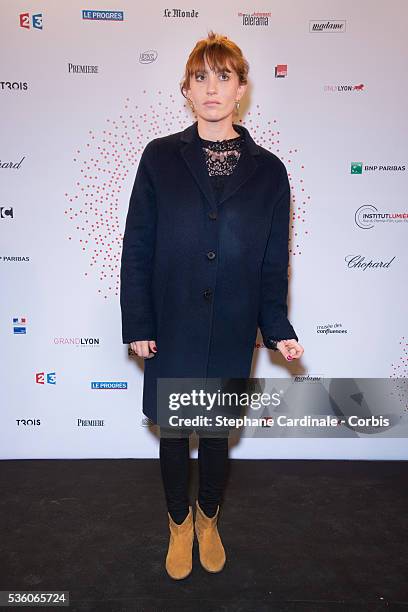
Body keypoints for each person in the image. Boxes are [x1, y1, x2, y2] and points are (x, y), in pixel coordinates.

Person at [120, 30, 304, 580]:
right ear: (187, 89)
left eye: (224, 76)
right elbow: (138, 244)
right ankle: (178, 524)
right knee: (177, 433)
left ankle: (208, 520)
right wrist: (138, 320)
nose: (212, 87)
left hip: (230, 324)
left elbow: (273, 261)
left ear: (242, 88)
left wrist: (276, 327)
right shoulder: (158, 158)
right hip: (172, 320)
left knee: (217, 432)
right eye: (201, 77)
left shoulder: (270, 171)